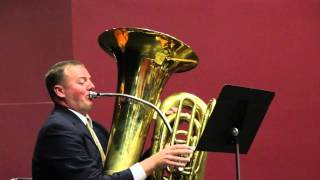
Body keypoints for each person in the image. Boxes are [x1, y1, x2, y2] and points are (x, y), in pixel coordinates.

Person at [32, 60, 193, 180]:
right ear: (60, 91)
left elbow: (124, 173)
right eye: (82, 82)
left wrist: (161, 153)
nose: (92, 85)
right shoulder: (58, 130)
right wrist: (153, 162)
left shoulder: (95, 129)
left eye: (90, 80)